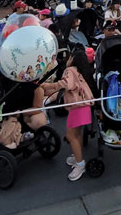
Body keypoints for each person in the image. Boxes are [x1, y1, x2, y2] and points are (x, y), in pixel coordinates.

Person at [40, 52, 95, 181]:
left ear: (73, 60)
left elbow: (65, 84)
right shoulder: (81, 71)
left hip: (77, 107)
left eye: (70, 57)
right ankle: (77, 156)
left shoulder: (69, 70)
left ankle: (80, 164)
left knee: (71, 136)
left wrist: (49, 86)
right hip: (84, 106)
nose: (67, 60)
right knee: (77, 134)